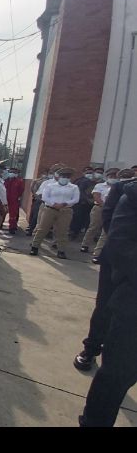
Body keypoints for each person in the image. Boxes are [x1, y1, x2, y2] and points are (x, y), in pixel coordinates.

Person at [79, 180, 137, 427]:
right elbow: (118, 239)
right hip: (127, 289)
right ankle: (91, 348)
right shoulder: (130, 192)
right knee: (116, 373)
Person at [74, 168, 137, 372]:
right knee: (105, 307)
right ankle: (91, 349)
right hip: (117, 262)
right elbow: (110, 223)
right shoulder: (123, 189)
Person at [30, 167, 79, 259]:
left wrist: (65, 203)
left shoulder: (74, 187)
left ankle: (61, 250)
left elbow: (76, 199)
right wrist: (54, 204)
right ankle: (34, 247)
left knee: (62, 231)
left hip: (65, 211)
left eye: (67, 176)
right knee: (42, 229)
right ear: (59, 176)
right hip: (50, 209)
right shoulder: (50, 186)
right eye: (63, 176)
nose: (65, 178)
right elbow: (45, 197)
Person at [81, 168, 119, 262]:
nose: (113, 178)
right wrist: (105, 206)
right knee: (93, 227)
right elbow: (96, 196)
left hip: (112, 211)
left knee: (105, 231)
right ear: (107, 176)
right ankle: (85, 244)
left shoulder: (118, 187)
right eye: (111, 176)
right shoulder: (100, 185)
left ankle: (98, 252)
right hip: (99, 208)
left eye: (115, 176)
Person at [70, 166, 97, 240]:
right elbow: (79, 192)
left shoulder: (94, 182)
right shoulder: (79, 181)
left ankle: (83, 234)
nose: (89, 174)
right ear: (84, 173)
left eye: (91, 173)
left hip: (89, 205)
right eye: (87, 173)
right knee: (77, 219)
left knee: (87, 220)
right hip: (80, 204)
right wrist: (87, 199)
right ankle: (74, 233)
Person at [26, 167, 50, 236]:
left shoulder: (52, 182)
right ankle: (31, 229)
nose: (46, 175)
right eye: (46, 173)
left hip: (47, 202)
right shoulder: (38, 181)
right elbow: (33, 189)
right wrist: (36, 196)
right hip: (38, 200)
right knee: (35, 216)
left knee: (44, 217)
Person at [4, 166, 25, 234]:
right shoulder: (5, 180)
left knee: (13, 215)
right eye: (10, 172)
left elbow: (21, 190)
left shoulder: (19, 181)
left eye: (13, 172)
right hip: (4, 199)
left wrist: (17, 197)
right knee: (2, 212)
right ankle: (0, 224)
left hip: (14, 200)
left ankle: (12, 227)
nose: (12, 173)